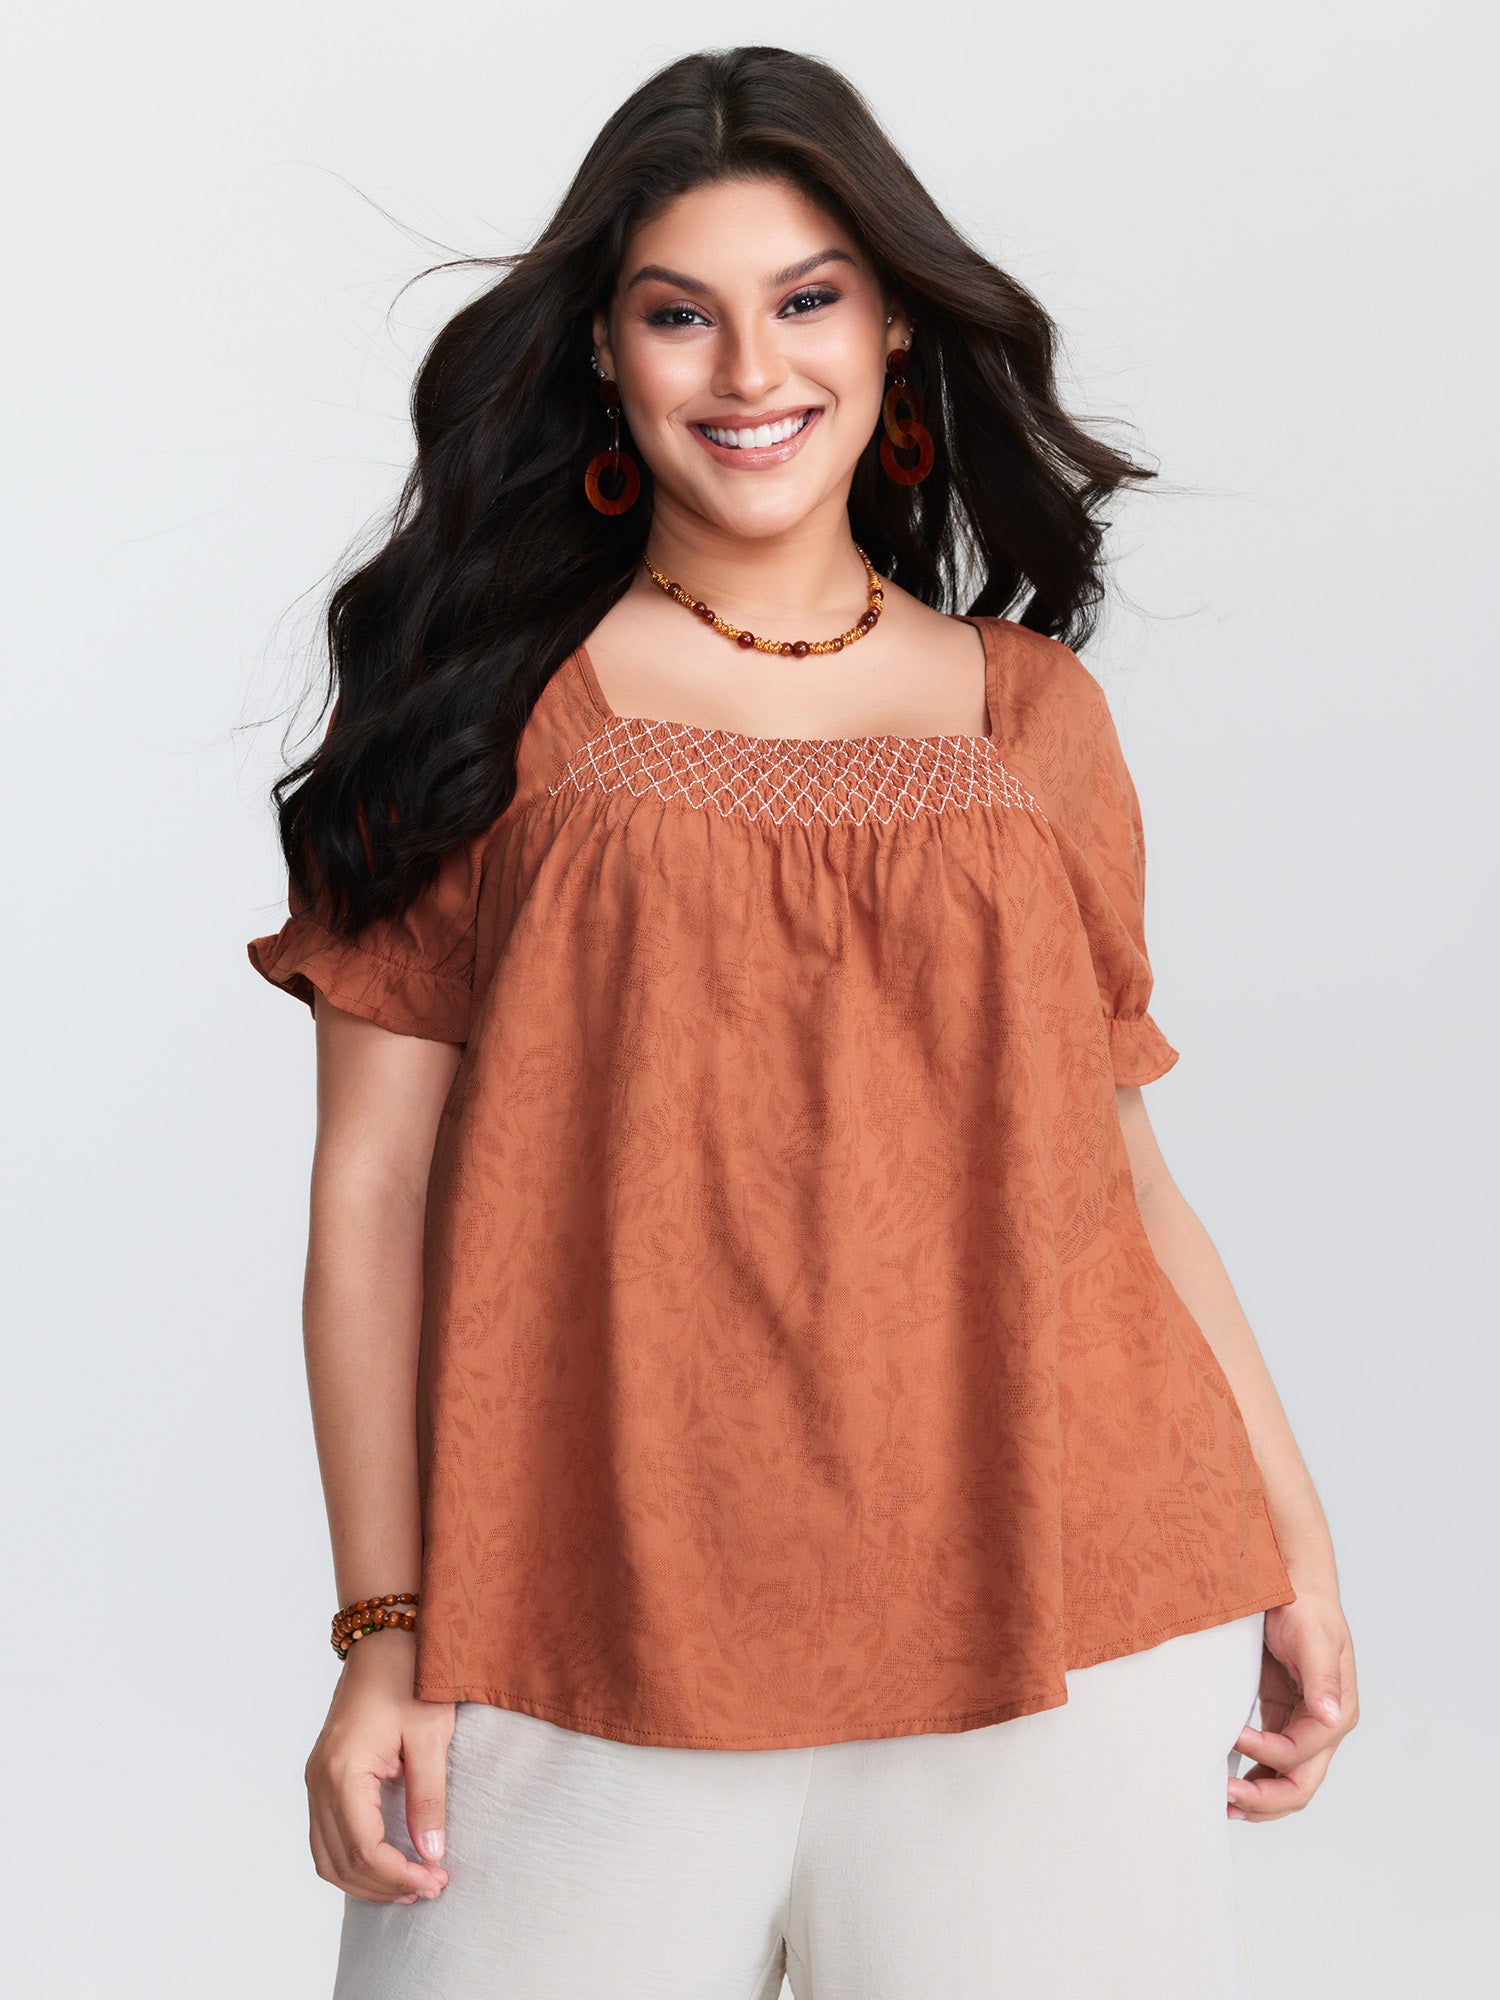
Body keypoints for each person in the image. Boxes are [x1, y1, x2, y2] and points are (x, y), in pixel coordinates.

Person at [246, 45, 1358, 2000]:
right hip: (578, 1627)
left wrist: (1299, 1543)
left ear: (895, 328)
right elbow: (373, 1193)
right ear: (603, 351)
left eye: (808, 299)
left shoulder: (1035, 719)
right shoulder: (477, 708)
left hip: (1068, 1620)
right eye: (679, 313)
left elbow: (1118, 1173)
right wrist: (384, 1632)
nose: (749, 368)